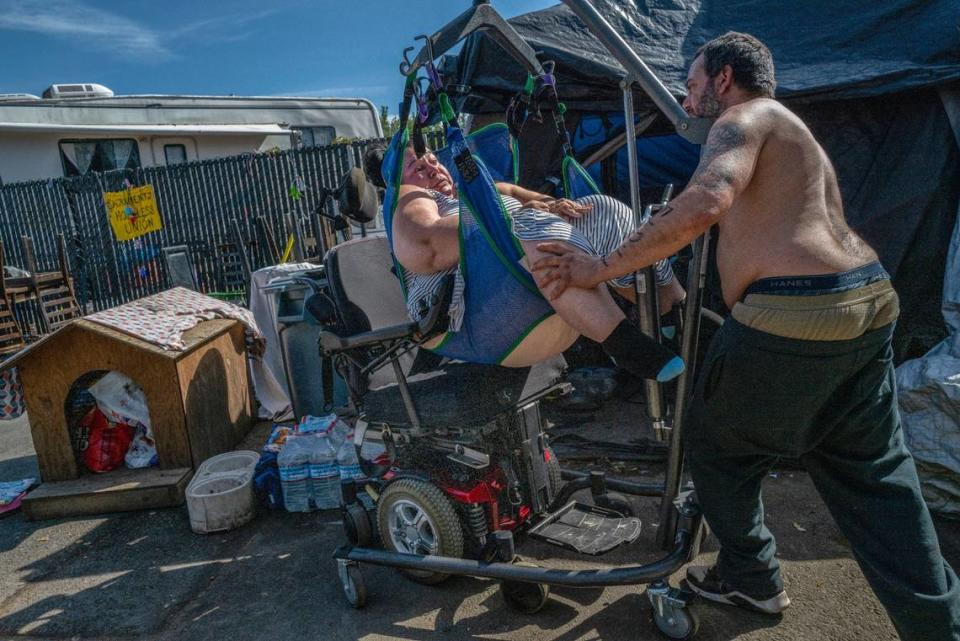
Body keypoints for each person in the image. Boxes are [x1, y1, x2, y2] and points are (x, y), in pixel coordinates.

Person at [532, 31, 960, 640]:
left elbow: (709, 198)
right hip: (867, 299)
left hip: (795, 314)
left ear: (724, 79)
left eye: (693, 81)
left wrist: (595, 268)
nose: (687, 94)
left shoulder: (742, 119)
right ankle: (939, 624)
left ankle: (751, 578)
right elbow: (758, 215)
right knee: (874, 476)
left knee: (715, 441)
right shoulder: (792, 131)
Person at [363, 143, 686, 381]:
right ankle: (625, 344)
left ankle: (669, 309)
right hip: (467, 316)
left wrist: (550, 205)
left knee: (601, 209)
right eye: (419, 168)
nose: (434, 168)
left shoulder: (472, 195)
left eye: (434, 159)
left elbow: (524, 197)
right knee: (526, 223)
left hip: (521, 291)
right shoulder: (410, 201)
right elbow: (426, 247)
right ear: (396, 183)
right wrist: (517, 213)